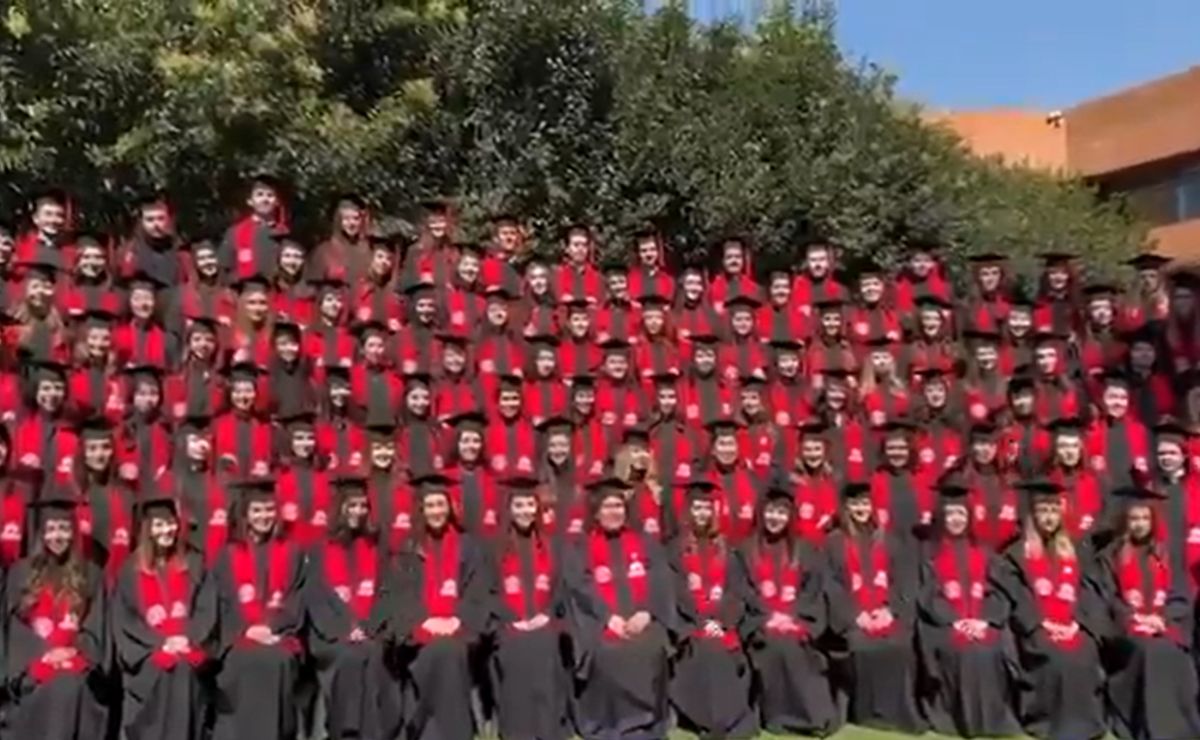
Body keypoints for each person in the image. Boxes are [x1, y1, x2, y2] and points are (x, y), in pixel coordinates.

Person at [993, 479, 1107, 740]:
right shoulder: (1015, 554)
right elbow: (1016, 597)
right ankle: (1047, 723)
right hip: (1035, 626)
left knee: (1083, 653)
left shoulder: (1076, 552)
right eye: (1043, 511)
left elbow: (1087, 593)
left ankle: (1085, 724)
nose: (1048, 517)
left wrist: (1078, 624)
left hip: (1073, 623)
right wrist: (1041, 624)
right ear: (1033, 514)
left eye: (1054, 511)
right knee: (1054, 656)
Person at [565, 477, 673, 740]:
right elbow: (580, 588)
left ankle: (645, 723)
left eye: (618, 506)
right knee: (608, 653)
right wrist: (607, 618)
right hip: (599, 622)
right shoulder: (580, 547)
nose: (614, 512)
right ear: (595, 512)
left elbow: (660, 580)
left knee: (649, 647)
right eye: (607, 506)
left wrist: (646, 611)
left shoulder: (644, 541)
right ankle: (613, 722)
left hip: (642, 618)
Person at [385, 472, 488, 740]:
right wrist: (423, 621)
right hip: (421, 630)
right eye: (430, 506)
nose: (436, 511)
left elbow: (477, 591)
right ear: (421, 509)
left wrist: (458, 619)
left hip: (457, 627)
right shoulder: (407, 549)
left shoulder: (469, 547)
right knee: (439, 653)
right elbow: (399, 596)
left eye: (441, 504)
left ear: (450, 507)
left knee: (450, 651)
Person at [1092, 485, 1200, 740]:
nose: (1139, 524)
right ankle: (1147, 725)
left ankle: (1180, 727)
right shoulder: (1110, 556)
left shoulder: (1167, 555)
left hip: (1162, 626)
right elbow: (1107, 599)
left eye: (1144, 518)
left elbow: (1180, 596)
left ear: (1153, 521)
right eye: (1133, 519)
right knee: (1149, 651)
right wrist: (1134, 619)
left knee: (1174, 653)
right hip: (1127, 633)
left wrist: (1162, 620)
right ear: (1124, 521)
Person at [917, 475, 1021, 737]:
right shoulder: (929, 554)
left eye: (961, 513)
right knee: (963, 651)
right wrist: (956, 620)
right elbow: (927, 597)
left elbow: (999, 595)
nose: (955, 519)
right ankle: (959, 720)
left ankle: (993, 720)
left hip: (982, 622)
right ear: (942, 516)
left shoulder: (986, 554)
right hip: (944, 625)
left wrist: (983, 621)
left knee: (990, 648)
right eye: (950, 514)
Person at [4, 487, 108, 740]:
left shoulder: (91, 574)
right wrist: (41, 656)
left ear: (74, 532)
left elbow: (97, 626)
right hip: (33, 666)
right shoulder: (21, 572)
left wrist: (75, 651)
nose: (57, 536)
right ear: (41, 533)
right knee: (49, 688)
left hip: (76, 665)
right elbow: (13, 628)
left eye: (64, 529)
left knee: (71, 686)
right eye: (50, 530)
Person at [113, 495, 215, 740]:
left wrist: (188, 638)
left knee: (183, 667)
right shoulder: (129, 571)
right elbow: (126, 621)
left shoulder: (194, 563)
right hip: (147, 654)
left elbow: (206, 609)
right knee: (164, 668)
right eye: (159, 525)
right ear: (147, 529)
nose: (167, 530)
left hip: (188, 648)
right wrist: (160, 644)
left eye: (171, 523)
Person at [210, 476, 306, 740]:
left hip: (279, 635)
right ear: (245, 514)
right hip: (239, 637)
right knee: (243, 663)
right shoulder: (226, 555)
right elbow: (219, 604)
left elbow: (296, 598)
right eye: (257, 510)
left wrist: (272, 627)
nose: (264, 516)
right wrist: (247, 630)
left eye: (269, 510)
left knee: (277, 661)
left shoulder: (292, 551)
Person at [825, 481, 924, 734]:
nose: (861, 508)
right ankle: (866, 713)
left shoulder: (890, 541)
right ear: (846, 507)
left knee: (900, 645)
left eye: (865, 503)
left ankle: (896, 712)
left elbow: (902, 581)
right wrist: (854, 616)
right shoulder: (833, 543)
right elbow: (830, 586)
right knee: (861, 646)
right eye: (855, 503)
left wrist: (890, 610)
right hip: (852, 618)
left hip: (886, 614)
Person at [739, 485, 838, 736]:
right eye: (770, 511)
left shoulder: (805, 550)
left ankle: (812, 717)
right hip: (760, 623)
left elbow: (812, 592)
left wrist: (793, 618)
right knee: (777, 647)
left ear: (790, 516)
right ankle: (780, 717)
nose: (775, 518)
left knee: (796, 647)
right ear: (761, 514)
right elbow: (742, 591)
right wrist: (769, 617)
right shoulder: (745, 550)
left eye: (782, 513)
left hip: (797, 622)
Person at [303, 472, 393, 740]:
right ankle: (346, 731)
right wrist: (343, 629)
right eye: (352, 505)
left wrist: (368, 626)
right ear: (339, 507)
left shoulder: (377, 548)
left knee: (375, 654)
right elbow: (315, 597)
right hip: (330, 636)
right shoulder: (319, 549)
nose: (358, 511)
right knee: (350, 656)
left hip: (371, 631)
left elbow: (385, 594)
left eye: (363, 506)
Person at [668, 479, 757, 739]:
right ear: (687, 512)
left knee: (721, 650)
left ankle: (726, 719)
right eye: (696, 508)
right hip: (689, 625)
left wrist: (722, 621)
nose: (702, 514)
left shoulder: (728, 549)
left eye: (707, 509)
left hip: (721, 624)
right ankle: (709, 719)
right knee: (706, 651)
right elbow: (674, 592)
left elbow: (737, 591)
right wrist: (699, 622)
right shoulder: (674, 549)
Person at [487, 475, 571, 740]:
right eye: (519, 506)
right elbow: (488, 592)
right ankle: (517, 730)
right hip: (507, 623)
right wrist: (513, 619)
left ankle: (548, 729)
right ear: (509, 510)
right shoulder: (494, 548)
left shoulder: (552, 545)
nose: (525, 512)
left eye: (529, 506)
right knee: (516, 649)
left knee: (545, 645)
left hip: (545, 622)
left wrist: (545, 617)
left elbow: (560, 590)